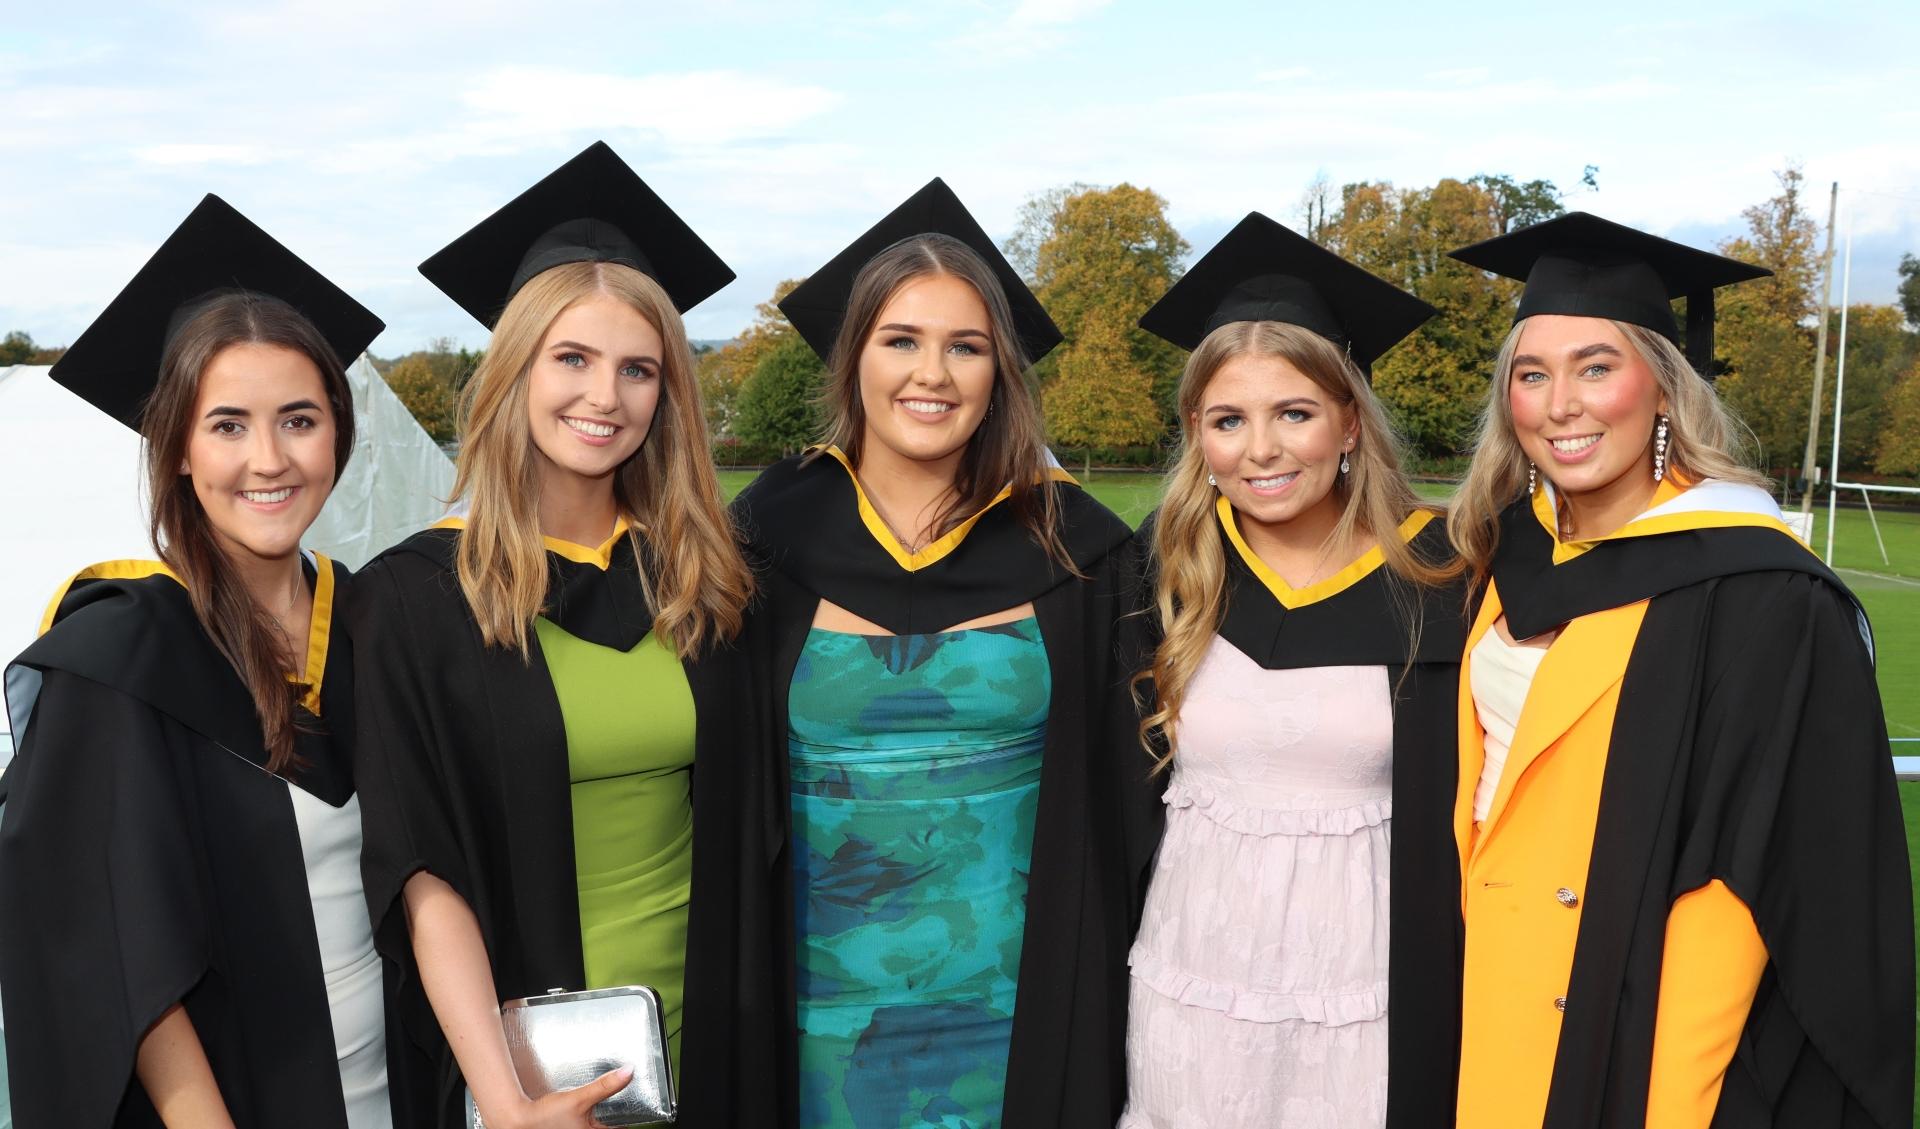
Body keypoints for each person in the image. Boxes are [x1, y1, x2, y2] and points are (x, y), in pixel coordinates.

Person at [1444, 212, 1913, 1128]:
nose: (1558, 404)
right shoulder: (1496, 553)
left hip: (1632, 1009)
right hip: (1483, 973)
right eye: (1531, 375)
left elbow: (1762, 867)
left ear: (1662, 386)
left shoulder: (1761, 593)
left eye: (1595, 366)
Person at [346, 142, 770, 1128]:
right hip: (539, 1064)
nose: (604, 397)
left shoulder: (706, 581)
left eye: (638, 370)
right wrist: (505, 1101)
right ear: (513, 371)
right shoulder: (416, 597)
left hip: (715, 1029)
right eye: (571, 359)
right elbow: (423, 875)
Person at [730, 178, 1151, 1128]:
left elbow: (1129, 791)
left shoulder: (1075, 548)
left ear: (1000, 371)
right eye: (901, 341)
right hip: (814, 1014)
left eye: (966, 347)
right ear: (854, 359)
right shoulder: (761, 541)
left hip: (1024, 1004)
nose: (934, 373)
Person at [0, 195, 412, 1127]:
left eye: (298, 419)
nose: (268, 458)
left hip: (400, 1086)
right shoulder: (117, 656)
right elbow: (113, 943)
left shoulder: (377, 620)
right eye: (227, 424)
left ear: (338, 432)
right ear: (177, 446)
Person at [1120, 213, 1468, 1128]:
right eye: (1229, 420)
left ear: (1349, 421)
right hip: (1195, 973)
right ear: (1197, 431)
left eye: (1295, 414)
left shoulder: (1448, 573)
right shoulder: (1163, 571)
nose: (1262, 450)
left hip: (1368, 984)